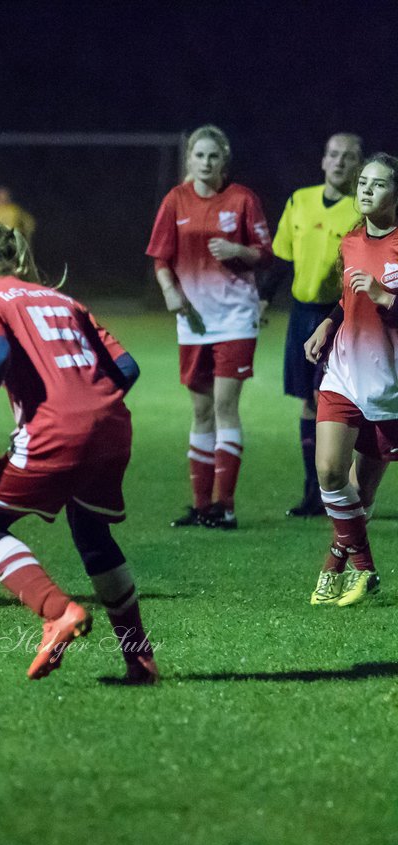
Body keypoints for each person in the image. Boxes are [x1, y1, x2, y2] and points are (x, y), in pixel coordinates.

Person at [0, 213, 156, 683]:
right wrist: (93, 410)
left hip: (56, 431)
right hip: (114, 426)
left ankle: (57, 611)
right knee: (93, 535)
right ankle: (140, 660)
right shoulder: (62, 299)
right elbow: (128, 367)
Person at [147, 124, 273, 529]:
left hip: (235, 318)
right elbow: (161, 257)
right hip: (193, 321)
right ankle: (201, 506)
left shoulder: (241, 199)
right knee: (201, 411)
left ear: (224, 161)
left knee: (223, 407)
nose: (205, 162)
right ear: (189, 160)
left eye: (213, 156)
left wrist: (239, 250)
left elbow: (265, 254)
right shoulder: (175, 200)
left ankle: (226, 506)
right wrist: (169, 291)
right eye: (199, 156)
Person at [302, 152, 398, 607]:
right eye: (363, 182)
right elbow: (348, 300)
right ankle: (366, 569)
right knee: (329, 472)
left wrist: (386, 299)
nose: (365, 190)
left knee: (362, 492)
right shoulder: (351, 240)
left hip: (389, 387)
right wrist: (328, 321)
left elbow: (377, 298)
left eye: (377, 185)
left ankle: (333, 567)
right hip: (342, 374)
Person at [262, 133, 363, 517]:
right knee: (309, 401)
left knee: (340, 402)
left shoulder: (362, 209)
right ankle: (313, 491)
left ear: (358, 164)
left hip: (343, 315)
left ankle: (346, 485)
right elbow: (282, 256)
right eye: (333, 155)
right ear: (323, 160)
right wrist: (264, 297)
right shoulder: (299, 201)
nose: (339, 162)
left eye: (348, 157)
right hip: (303, 314)